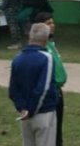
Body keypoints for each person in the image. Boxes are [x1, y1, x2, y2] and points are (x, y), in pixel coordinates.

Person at [9, 23, 58, 146]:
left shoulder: (17, 58)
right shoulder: (47, 58)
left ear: (30, 36)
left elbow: (13, 90)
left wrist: (22, 108)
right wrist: (31, 109)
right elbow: (43, 88)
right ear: (46, 39)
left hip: (24, 114)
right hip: (43, 111)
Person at [32, 13, 68, 146]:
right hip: (49, 93)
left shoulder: (51, 44)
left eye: (52, 22)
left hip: (57, 92)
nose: (52, 25)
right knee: (49, 131)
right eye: (48, 23)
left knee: (58, 129)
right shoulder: (40, 48)